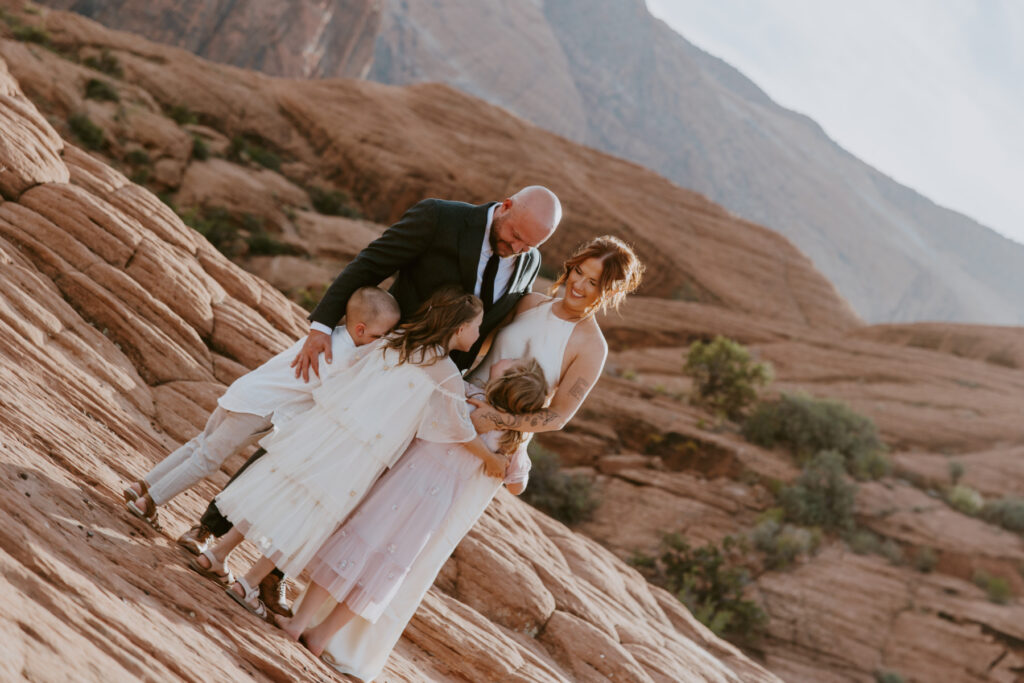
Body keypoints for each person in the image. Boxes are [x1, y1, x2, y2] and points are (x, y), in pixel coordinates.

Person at [311, 235, 646, 679]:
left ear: (610, 293)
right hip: (452, 413)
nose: (580, 286)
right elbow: (475, 345)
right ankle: (310, 619)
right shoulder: (528, 303)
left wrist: (497, 421)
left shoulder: (591, 346)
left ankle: (352, 649)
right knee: (376, 512)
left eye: (594, 283)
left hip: (491, 444)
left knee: (419, 544)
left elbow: (559, 416)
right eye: (579, 273)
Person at [176, 186, 562, 560]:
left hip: (432, 387)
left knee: (354, 480)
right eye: (514, 237)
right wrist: (321, 327)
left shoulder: (528, 262)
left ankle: (275, 570)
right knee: (303, 442)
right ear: (507, 206)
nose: (517, 249)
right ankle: (211, 528)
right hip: (384, 359)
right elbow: (370, 264)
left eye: (529, 245)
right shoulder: (440, 217)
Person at [194, 289, 502, 620]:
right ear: (458, 329)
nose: (479, 333)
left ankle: (218, 553)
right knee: (310, 514)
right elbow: (459, 430)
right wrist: (491, 456)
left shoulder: (394, 340)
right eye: (477, 326)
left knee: (281, 486)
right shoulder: (447, 375)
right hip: (363, 450)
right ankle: (248, 583)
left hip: (327, 425)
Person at [275, 357, 547, 654]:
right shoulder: (512, 439)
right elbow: (517, 485)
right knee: (382, 566)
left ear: (501, 383)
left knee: (357, 542)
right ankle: (321, 636)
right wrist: (503, 451)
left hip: (404, 482)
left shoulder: (468, 395)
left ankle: (299, 623)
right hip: (434, 505)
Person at [123, 286, 400, 531]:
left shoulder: (328, 335)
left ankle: (141, 486)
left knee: (199, 444)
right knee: (206, 459)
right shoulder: (341, 357)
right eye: (382, 335)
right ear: (361, 330)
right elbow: (333, 397)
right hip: (258, 411)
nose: (384, 341)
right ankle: (149, 502)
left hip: (244, 391)